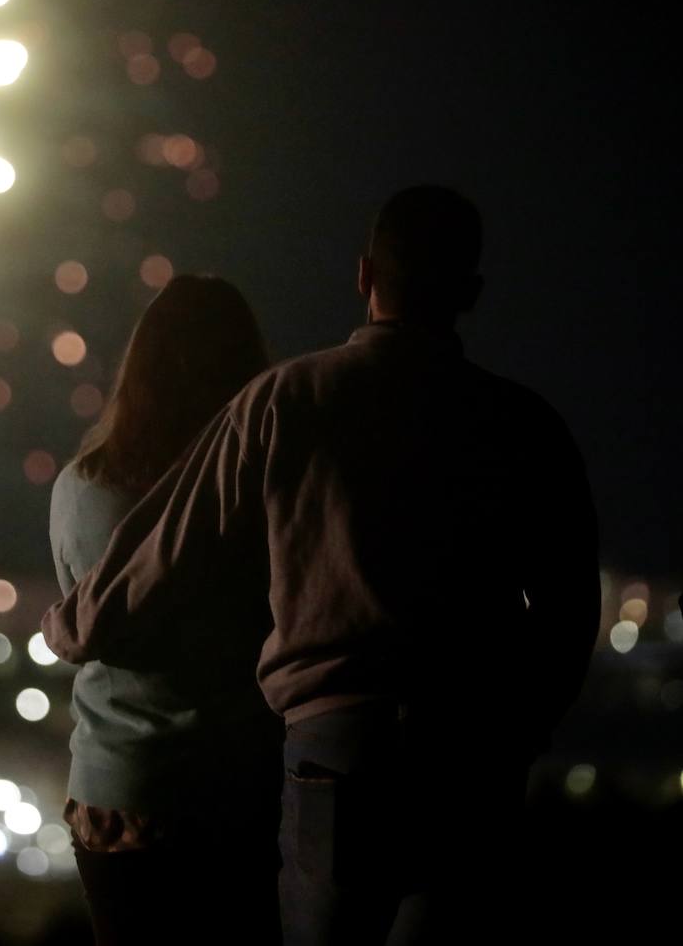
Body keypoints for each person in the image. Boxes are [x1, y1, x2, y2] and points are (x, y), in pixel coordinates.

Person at [42, 186, 599, 944]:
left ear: (365, 274)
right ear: (469, 292)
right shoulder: (524, 425)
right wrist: (515, 735)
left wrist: (74, 621)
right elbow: (568, 619)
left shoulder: (286, 401)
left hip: (334, 757)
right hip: (474, 761)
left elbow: (165, 550)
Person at [48, 274, 281, 944]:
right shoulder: (266, 487)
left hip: (117, 788)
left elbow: (81, 609)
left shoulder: (81, 488)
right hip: (241, 785)